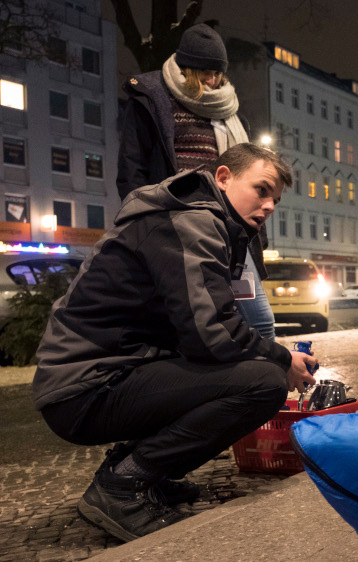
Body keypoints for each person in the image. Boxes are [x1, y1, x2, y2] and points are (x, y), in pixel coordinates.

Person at [33, 143, 317, 542]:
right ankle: (122, 485)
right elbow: (211, 334)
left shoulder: (209, 221)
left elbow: (204, 328)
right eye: (261, 189)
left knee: (250, 371)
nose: (269, 205)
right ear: (223, 177)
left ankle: (145, 472)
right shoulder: (191, 222)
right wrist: (281, 357)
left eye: (276, 198)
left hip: (114, 372)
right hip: (84, 388)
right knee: (264, 382)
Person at [117, 23, 276, 339]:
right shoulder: (152, 101)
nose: (213, 79)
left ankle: (267, 385)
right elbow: (132, 172)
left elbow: (247, 180)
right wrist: (145, 229)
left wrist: (257, 231)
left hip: (228, 232)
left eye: (218, 72)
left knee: (259, 322)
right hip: (175, 229)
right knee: (191, 325)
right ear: (186, 66)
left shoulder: (230, 114)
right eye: (205, 70)